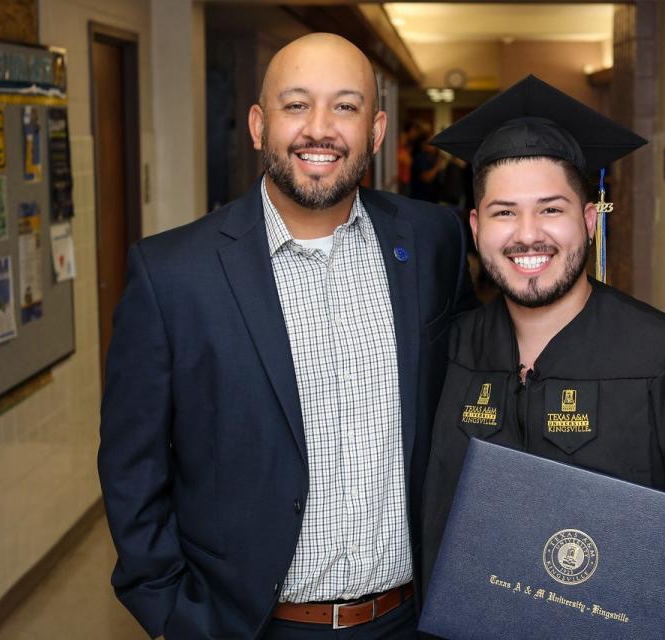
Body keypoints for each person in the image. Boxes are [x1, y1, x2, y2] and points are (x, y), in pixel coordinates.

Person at [98, 33, 475, 640]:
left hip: (412, 617)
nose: (319, 129)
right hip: (249, 625)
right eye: (296, 105)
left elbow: (468, 398)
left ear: (377, 130)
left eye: (345, 106)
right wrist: (171, 612)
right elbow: (130, 466)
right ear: (257, 124)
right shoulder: (172, 275)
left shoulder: (434, 240)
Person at [420, 75, 665, 639]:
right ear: (475, 228)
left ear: (589, 220)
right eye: (503, 213)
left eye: (551, 209)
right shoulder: (449, 353)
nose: (527, 235)